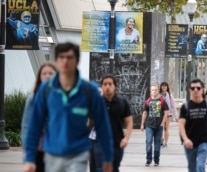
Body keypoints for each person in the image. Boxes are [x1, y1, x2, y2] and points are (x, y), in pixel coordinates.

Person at [23, 42, 114, 172]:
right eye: (61, 57)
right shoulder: (46, 90)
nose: (65, 61)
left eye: (69, 57)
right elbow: (34, 125)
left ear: (77, 61)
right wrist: (29, 158)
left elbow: (103, 126)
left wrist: (108, 158)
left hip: (78, 154)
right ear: (56, 61)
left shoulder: (89, 90)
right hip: (52, 154)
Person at [90, 75, 133, 172]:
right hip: (99, 142)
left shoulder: (122, 102)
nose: (107, 86)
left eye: (110, 84)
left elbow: (129, 121)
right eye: (105, 84)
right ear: (101, 87)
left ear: (115, 86)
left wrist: (126, 138)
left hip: (117, 142)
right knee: (101, 168)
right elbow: (88, 121)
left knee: (114, 168)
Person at [21, 62, 57, 172]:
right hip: (38, 148)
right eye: (44, 73)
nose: (47, 75)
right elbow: (26, 124)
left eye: (51, 73)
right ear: (39, 77)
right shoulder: (33, 98)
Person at [179, 78, 207, 172]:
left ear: (203, 89)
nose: (195, 90)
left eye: (198, 88)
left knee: (200, 167)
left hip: (203, 141)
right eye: (193, 88)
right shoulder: (185, 107)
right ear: (189, 90)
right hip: (189, 142)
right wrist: (186, 139)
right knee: (192, 168)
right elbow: (181, 126)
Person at [140, 83, 168, 166]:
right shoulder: (148, 101)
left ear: (158, 90)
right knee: (148, 142)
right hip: (149, 125)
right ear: (150, 91)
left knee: (157, 143)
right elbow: (145, 113)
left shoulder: (162, 100)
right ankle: (148, 159)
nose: (154, 91)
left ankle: (156, 160)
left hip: (159, 126)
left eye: (155, 90)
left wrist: (162, 123)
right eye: (152, 90)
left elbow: (166, 113)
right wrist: (142, 124)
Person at [159, 82, 178, 148]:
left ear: (167, 87)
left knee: (166, 128)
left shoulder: (170, 95)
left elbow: (173, 106)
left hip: (168, 114)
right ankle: (161, 139)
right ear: (161, 87)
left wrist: (176, 116)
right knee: (160, 127)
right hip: (160, 114)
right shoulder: (158, 95)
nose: (164, 87)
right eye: (163, 86)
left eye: (165, 86)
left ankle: (166, 143)